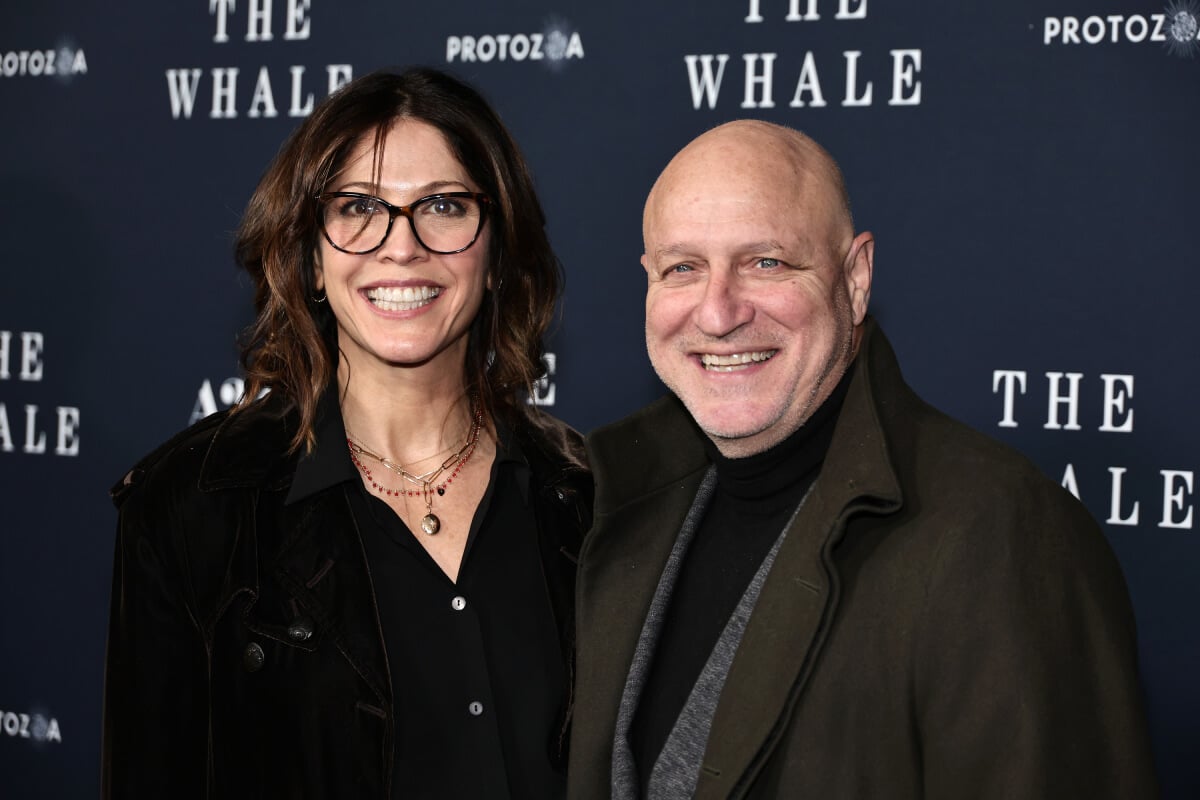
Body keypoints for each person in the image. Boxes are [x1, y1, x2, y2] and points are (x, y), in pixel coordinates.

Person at [567, 120, 1158, 799]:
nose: (718, 311)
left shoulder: (1003, 536)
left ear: (855, 277)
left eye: (767, 262)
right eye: (683, 268)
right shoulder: (621, 507)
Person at [102, 68, 591, 799]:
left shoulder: (585, 493)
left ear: (495, 253)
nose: (401, 246)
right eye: (359, 206)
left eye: (445, 206)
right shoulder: (192, 509)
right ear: (311, 258)